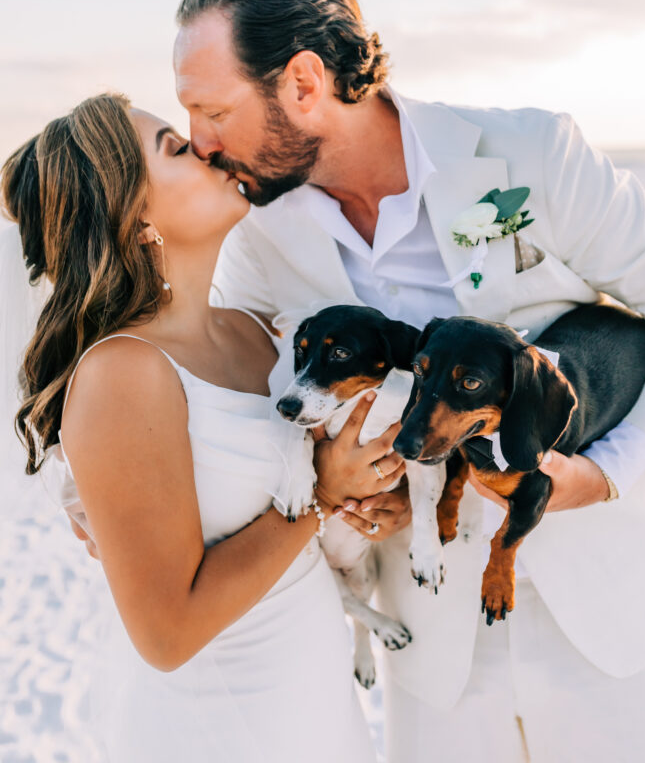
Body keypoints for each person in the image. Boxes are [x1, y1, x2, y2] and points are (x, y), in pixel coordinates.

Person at [173, 0, 645, 762]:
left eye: (211, 110)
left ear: (304, 82)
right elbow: (226, 398)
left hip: (606, 619)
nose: (198, 142)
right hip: (427, 645)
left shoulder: (532, 155)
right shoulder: (261, 243)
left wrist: (616, 467)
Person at [1, 92, 405, 763]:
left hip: (314, 702)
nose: (208, 148)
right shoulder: (122, 373)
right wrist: (322, 502)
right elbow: (166, 633)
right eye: (176, 149)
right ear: (135, 219)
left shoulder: (254, 333)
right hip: (221, 730)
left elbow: (295, 511)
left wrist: (365, 506)